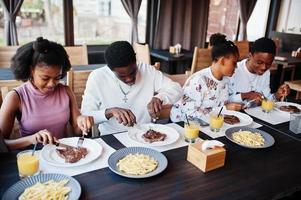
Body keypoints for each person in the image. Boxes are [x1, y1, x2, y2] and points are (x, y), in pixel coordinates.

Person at [0, 37, 93, 150]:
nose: (51, 84)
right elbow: (2, 143)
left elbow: (77, 129)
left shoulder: (65, 91)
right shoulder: (15, 97)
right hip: (33, 159)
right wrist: (31, 139)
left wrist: (82, 122)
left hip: (61, 155)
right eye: (45, 78)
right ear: (31, 70)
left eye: (57, 78)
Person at [81, 41, 182, 134]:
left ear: (135, 61)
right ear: (110, 69)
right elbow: (85, 115)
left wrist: (160, 98)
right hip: (112, 136)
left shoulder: (148, 71)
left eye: (133, 72)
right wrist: (109, 112)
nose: (129, 79)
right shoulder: (97, 77)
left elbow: (177, 89)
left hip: (144, 133)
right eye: (122, 76)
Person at [170, 38, 240, 122]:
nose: (236, 67)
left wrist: (239, 100)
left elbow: (220, 103)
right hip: (183, 125)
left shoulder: (226, 80)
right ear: (222, 61)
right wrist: (224, 109)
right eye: (234, 63)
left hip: (207, 124)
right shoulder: (199, 80)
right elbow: (189, 114)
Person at [228, 37, 290, 105]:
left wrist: (277, 94)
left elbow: (266, 99)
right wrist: (246, 95)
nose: (264, 67)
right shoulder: (233, 70)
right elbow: (223, 101)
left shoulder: (266, 72)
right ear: (250, 56)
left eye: (269, 63)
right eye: (259, 63)